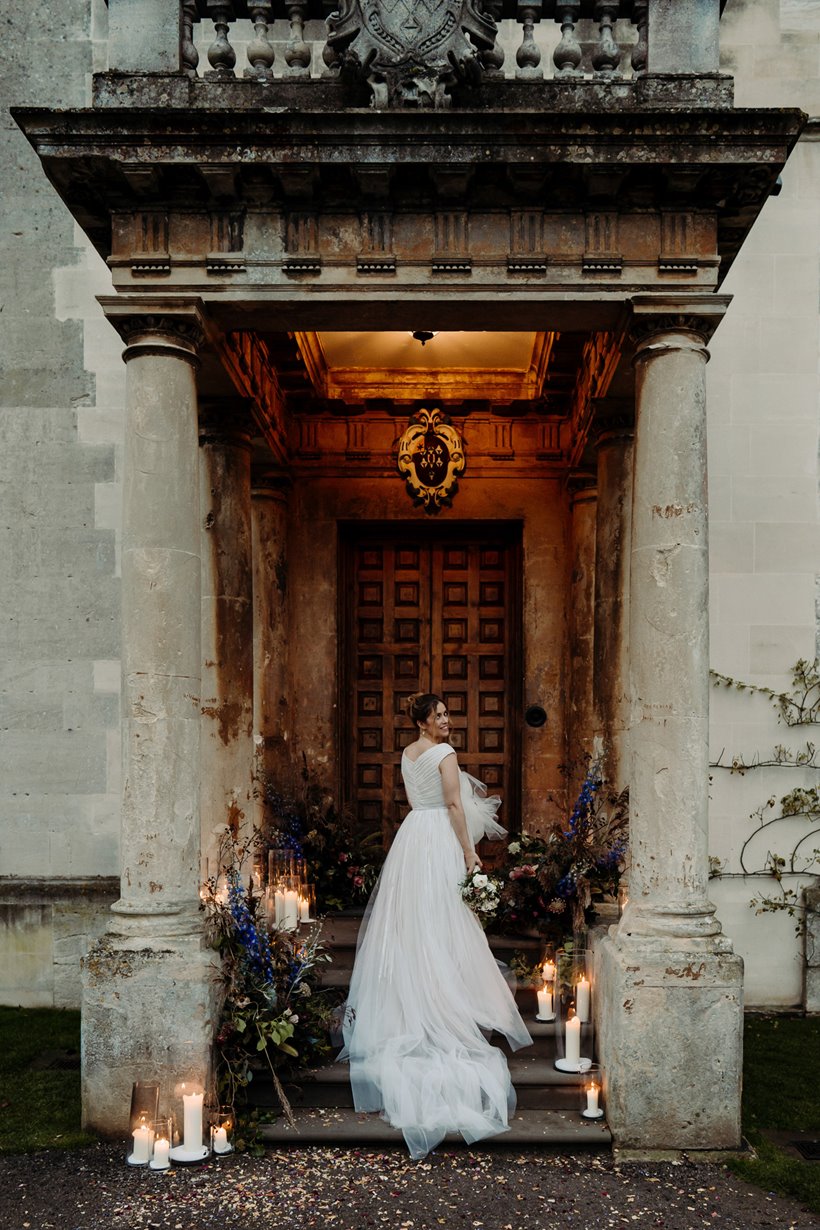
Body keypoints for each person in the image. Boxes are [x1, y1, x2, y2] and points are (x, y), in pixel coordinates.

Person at [339, 692, 532, 1159]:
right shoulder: (445, 754)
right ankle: (445, 1003)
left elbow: (420, 800)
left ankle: (417, 994)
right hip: (439, 839)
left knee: (416, 922)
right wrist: (469, 852)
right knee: (442, 921)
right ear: (424, 723)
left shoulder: (407, 754)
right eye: (439, 715)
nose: (447, 721)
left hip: (412, 840)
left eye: (446, 714)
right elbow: (453, 806)